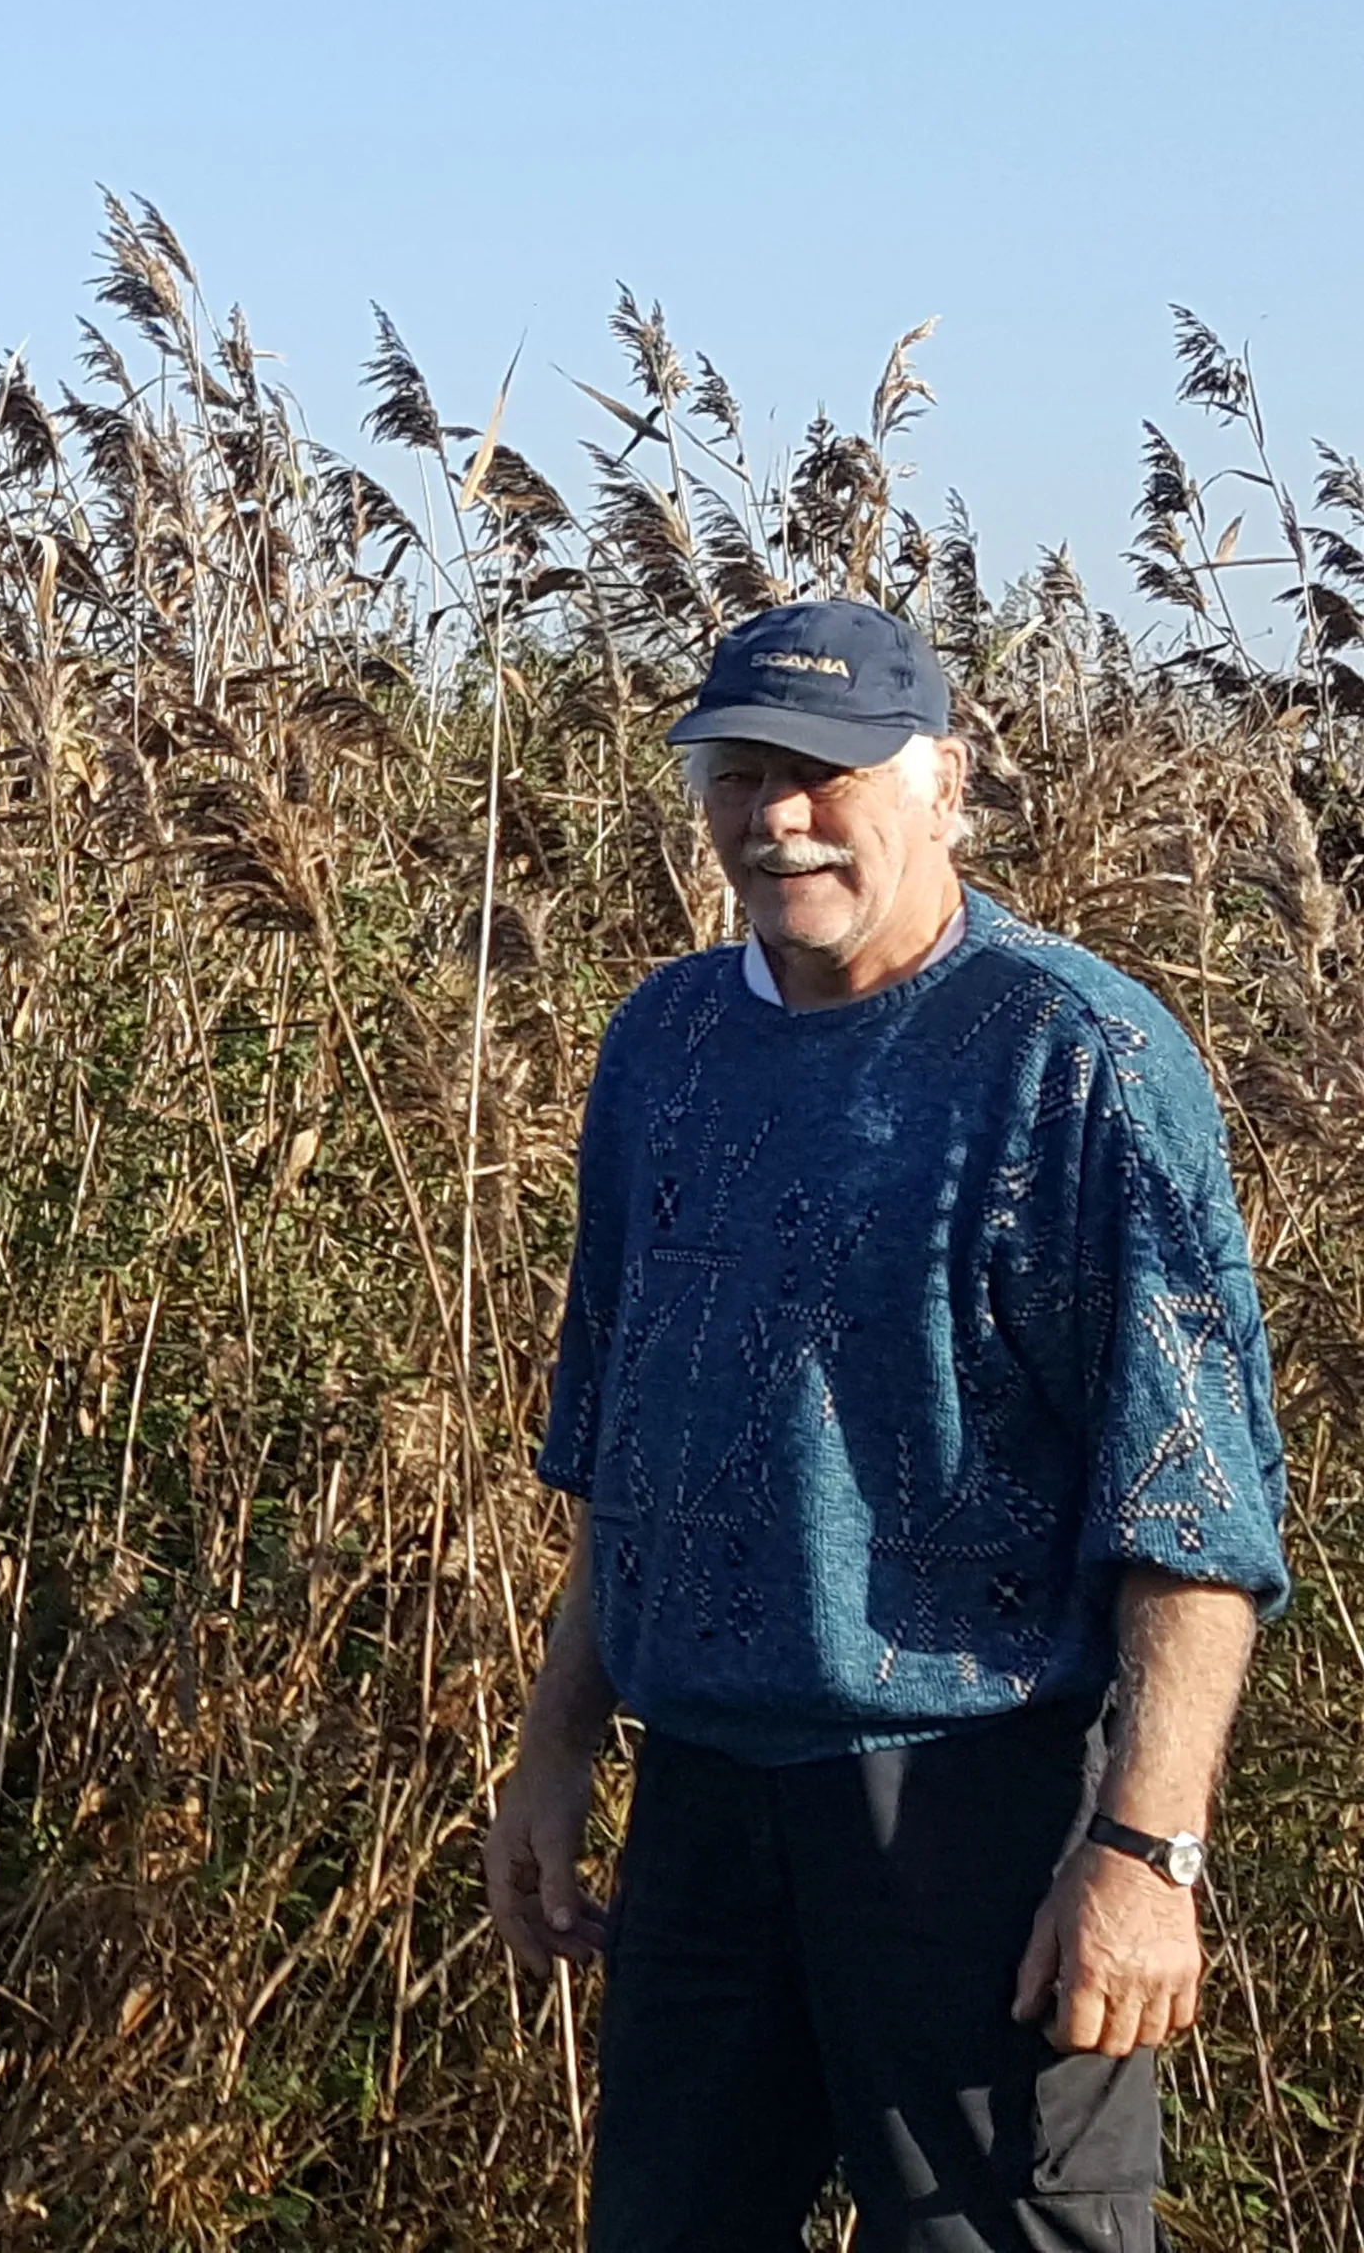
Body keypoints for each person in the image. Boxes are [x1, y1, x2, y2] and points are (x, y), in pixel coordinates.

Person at [483, 598, 1288, 2251]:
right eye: (740, 771)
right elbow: (628, 1440)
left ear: (944, 785)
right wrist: (555, 1750)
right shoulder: (665, 1045)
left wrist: (1147, 1851)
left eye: (828, 771)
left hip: (975, 1809)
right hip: (704, 1800)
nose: (779, 817)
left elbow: (1190, 1494)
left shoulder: (1076, 1055)